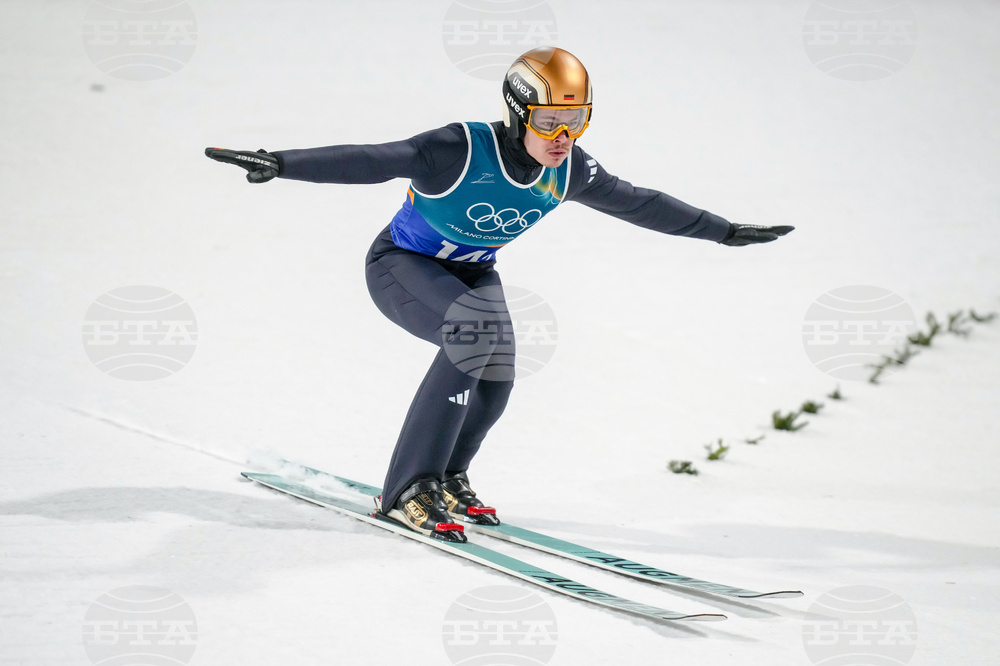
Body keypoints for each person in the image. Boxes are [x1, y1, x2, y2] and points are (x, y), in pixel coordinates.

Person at [206, 47, 793, 543]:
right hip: (402, 265)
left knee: (498, 368)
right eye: (548, 123)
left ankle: (448, 477)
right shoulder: (458, 149)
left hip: (470, 274)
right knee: (472, 335)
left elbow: (638, 201)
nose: (563, 138)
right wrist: (282, 163)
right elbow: (373, 160)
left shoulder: (569, 169)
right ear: (518, 114)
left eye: (577, 121)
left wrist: (723, 231)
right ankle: (409, 485)